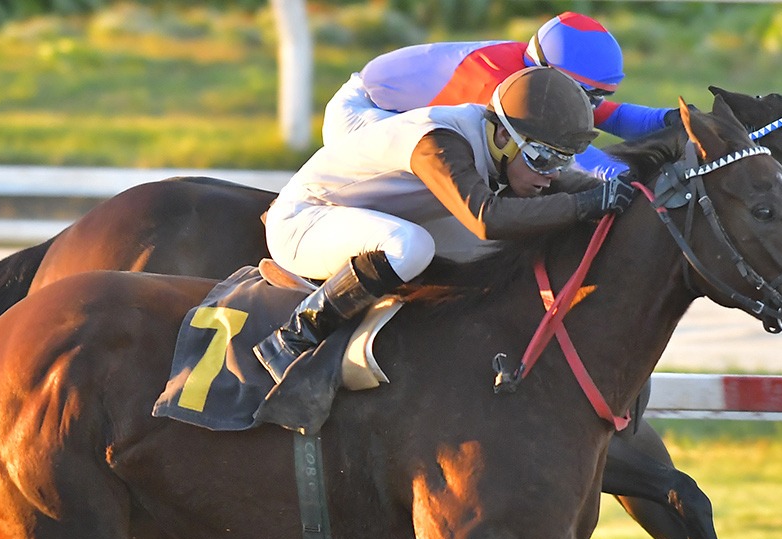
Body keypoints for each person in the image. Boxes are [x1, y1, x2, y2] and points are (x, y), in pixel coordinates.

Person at [254, 66, 634, 392]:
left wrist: (628, 192)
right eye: (543, 160)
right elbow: (488, 219)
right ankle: (294, 337)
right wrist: (586, 205)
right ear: (503, 137)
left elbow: (563, 187)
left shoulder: (497, 137)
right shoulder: (439, 142)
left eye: (561, 162)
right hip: (304, 220)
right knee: (411, 246)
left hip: (367, 220)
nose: (550, 176)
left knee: (477, 255)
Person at [322, 11, 673, 179]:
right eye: (586, 95)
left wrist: (680, 120)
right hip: (363, 113)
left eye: (596, 96)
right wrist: (628, 179)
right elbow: (573, 158)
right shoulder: (500, 84)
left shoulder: (538, 72)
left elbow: (615, 117)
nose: (591, 105)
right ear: (556, 76)